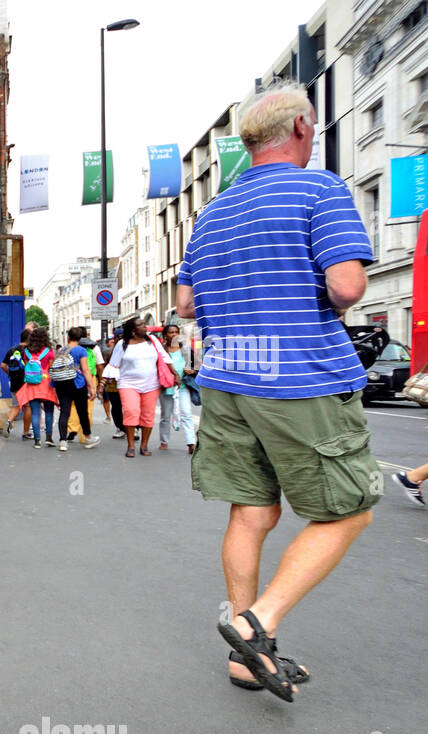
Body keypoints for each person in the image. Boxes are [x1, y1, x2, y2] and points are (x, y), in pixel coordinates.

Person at [176, 79, 379, 701]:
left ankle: (245, 662)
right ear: (300, 129)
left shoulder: (212, 213)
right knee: (349, 508)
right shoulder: (319, 189)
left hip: (229, 381)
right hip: (300, 377)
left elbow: (185, 302)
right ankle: (256, 625)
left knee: (253, 512)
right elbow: (346, 288)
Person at [108, 316, 171, 458]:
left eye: (144, 324)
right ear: (132, 330)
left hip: (151, 384)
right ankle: (130, 445)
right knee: (131, 411)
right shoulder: (122, 344)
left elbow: (164, 357)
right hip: (128, 383)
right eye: (141, 325)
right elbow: (113, 364)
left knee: (148, 415)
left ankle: (144, 445)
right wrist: (102, 384)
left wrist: (175, 375)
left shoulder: (153, 341)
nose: (145, 326)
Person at [49, 326, 99, 450]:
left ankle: (62, 441)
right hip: (77, 383)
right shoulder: (81, 350)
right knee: (82, 411)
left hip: (61, 383)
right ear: (80, 338)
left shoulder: (60, 351)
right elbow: (85, 370)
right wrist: (91, 387)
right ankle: (88, 437)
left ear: (68, 337)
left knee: (65, 411)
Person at [15, 325, 57, 448]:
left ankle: (37, 440)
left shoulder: (27, 352)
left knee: (35, 412)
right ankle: (49, 438)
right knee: (49, 411)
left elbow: (27, 366)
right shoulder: (49, 352)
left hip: (32, 384)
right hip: (46, 383)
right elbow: (51, 368)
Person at [158, 324, 198, 454]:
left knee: (186, 413)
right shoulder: (161, 351)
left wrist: (192, 371)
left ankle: (191, 442)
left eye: (176, 332)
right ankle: (164, 441)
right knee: (165, 416)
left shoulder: (186, 350)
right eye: (171, 332)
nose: (174, 335)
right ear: (165, 335)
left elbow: (197, 367)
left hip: (183, 387)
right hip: (166, 387)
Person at [2, 327, 32, 438]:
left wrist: (10, 374)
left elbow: (3, 365)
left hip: (14, 381)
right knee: (28, 407)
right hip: (26, 382)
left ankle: (8, 421)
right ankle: (26, 432)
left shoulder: (12, 350)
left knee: (16, 406)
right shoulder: (28, 351)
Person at [99, 326, 126, 438]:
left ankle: (130, 428)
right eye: (118, 337)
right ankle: (120, 427)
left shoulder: (130, 349)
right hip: (113, 384)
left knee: (126, 406)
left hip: (126, 382)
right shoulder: (108, 351)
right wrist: (102, 383)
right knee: (116, 407)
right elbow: (106, 367)